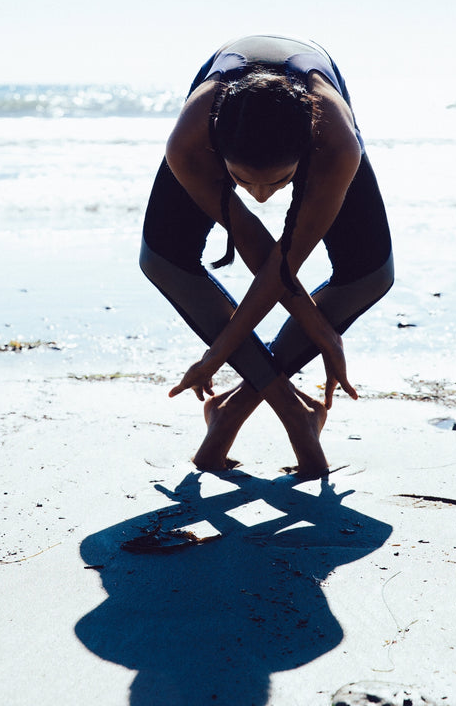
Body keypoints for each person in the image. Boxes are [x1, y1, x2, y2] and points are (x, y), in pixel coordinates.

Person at [140, 35, 393, 477]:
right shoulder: (191, 141)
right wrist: (321, 334)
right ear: (219, 156)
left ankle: (231, 411)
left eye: (279, 182)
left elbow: (282, 265)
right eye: (242, 181)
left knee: (371, 274)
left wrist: (221, 353)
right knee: (161, 260)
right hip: (219, 121)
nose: (259, 196)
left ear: (304, 158)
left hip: (318, 121)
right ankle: (297, 415)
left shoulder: (334, 144)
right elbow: (255, 244)